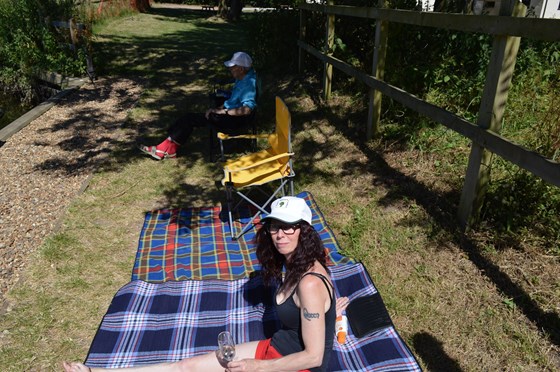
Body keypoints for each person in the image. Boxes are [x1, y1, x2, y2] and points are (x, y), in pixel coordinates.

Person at [63, 196, 349, 372]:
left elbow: (314, 356)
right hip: (277, 348)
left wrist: (258, 367)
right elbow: (321, 301)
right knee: (187, 366)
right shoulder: (299, 262)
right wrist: (332, 309)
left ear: (305, 231)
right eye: (275, 226)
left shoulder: (309, 283)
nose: (279, 234)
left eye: (289, 226)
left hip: (294, 365)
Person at [139, 51, 257, 160]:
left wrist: (223, 112)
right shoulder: (242, 78)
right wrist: (217, 109)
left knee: (190, 119)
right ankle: (168, 148)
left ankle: (166, 148)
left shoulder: (248, 84)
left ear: (241, 69)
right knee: (190, 118)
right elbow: (232, 100)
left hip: (235, 120)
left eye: (232, 67)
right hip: (229, 114)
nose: (230, 69)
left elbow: (247, 110)